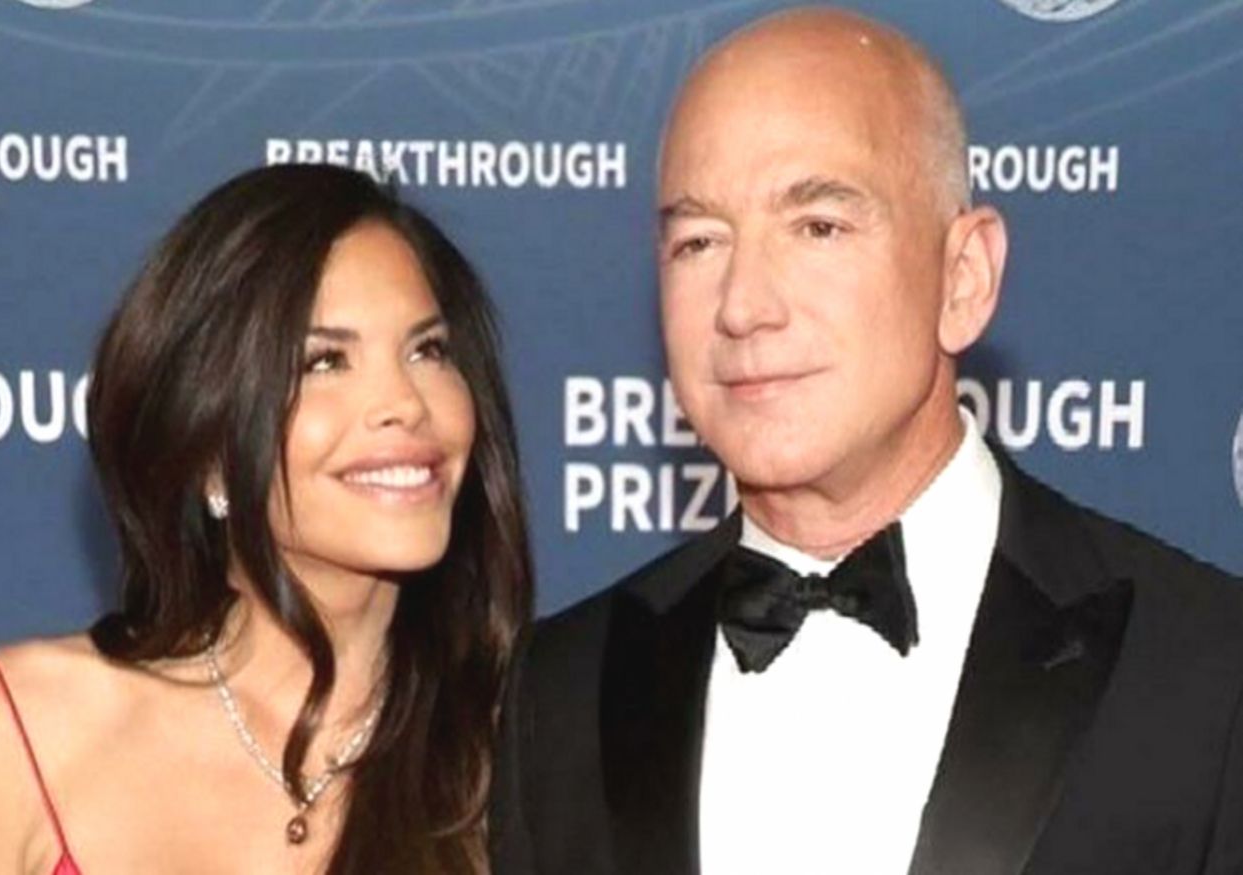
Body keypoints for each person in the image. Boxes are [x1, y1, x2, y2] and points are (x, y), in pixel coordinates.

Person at [489, 7, 1243, 874]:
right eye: (698, 241)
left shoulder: (1207, 672)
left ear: (963, 279)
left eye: (818, 226)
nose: (742, 305)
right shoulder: (563, 691)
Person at [0, 164, 533, 874]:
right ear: (207, 446)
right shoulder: (24, 728)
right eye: (325, 361)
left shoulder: (523, 755)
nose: (404, 402)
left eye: (428, 350)